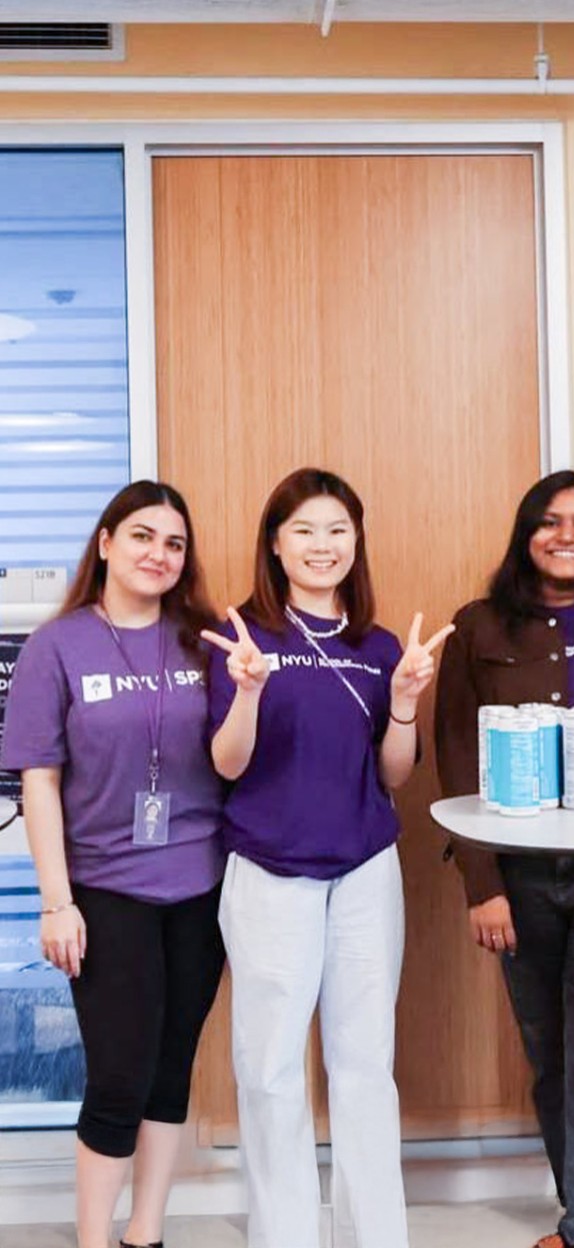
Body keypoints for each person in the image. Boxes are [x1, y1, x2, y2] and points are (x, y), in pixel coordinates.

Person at [203, 466, 452, 1248]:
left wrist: (405, 703)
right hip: (271, 870)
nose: (322, 545)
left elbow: (392, 774)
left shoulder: (375, 646)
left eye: (337, 530)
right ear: (275, 543)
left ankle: (373, 1233)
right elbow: (228, 765)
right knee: (271, 1069)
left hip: (364, 870)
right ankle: (283, 1235)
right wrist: (246, 691)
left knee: (363, 1064)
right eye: (304, 530)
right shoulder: (243, 637)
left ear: (356, 542)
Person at [434, 469, 574, 1248]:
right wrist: (481, 883)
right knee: (553, 1057)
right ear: (524, 533)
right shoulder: (477, 628)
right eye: (549, 520)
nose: (567, 535)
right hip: (522, 871)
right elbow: (457, 761)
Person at [0, 480, 226, 1248]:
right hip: (105, 890)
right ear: (104, 543)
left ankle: (146, 1233)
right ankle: (93, 1238)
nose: (157, 554)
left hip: (201, 885)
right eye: (140, 536)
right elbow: (39, 780)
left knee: (171, 1069)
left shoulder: (206, 640)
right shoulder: (56, 646)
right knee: (119, 1075)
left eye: (173, 543)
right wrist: (56, 901)